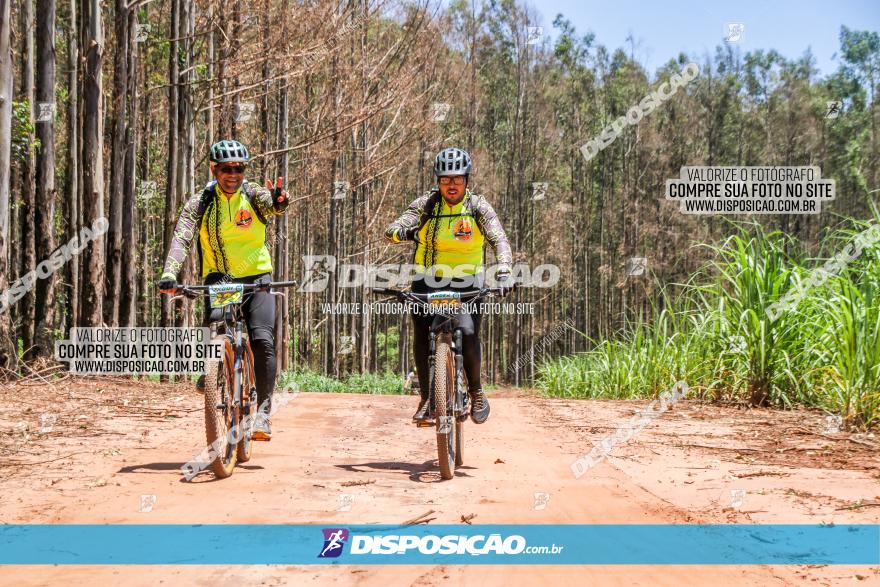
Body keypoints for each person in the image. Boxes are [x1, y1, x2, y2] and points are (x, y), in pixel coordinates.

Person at [158, 139, 290, 440]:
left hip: (257, 277)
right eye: (227, 169)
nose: (234, 174)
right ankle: (215, 369)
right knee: (216, 322)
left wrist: (280, 200)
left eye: (239, 168)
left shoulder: (253, 193)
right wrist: (169, 272)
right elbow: (182, 237)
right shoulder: (201, 202)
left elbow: (273, 206)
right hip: (220, 278)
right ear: (214, 169)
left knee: (263, 340)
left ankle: (264, 413)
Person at [385, 147, 514, 424]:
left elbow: (499, 239)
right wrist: (405, 232)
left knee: (467, 332)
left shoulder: (477, 207)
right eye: (445, 180)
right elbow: (391, 230)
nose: (451, 185)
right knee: (421, 332)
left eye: (457, 179)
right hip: (428, 278)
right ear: (438, 181)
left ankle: (476, 390)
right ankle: (426, 398)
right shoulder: (426, 205)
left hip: (467, 280)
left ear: (466, 180)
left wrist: (504, 271)